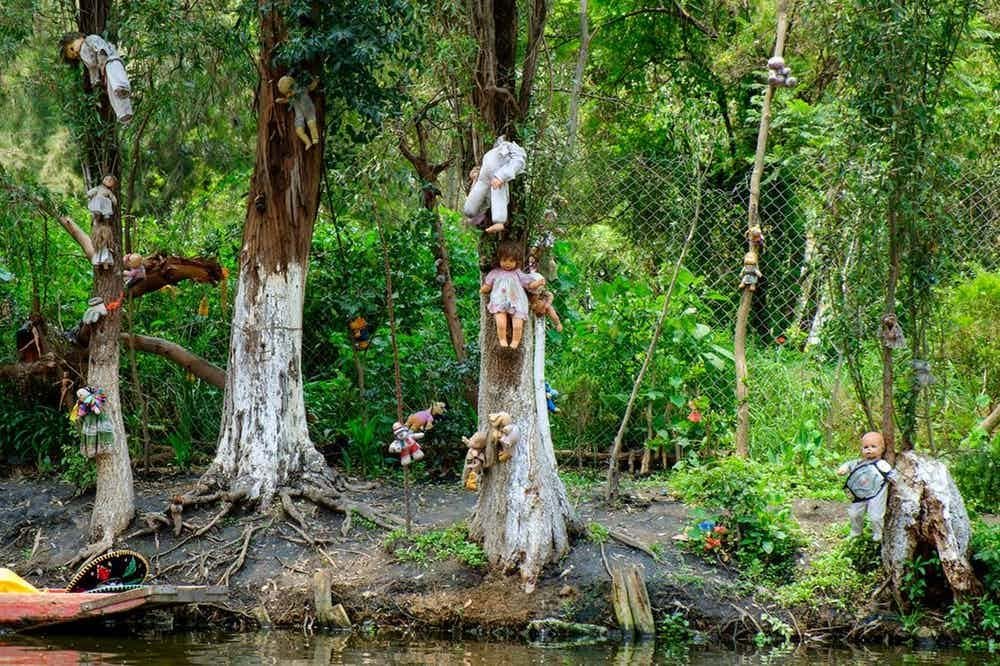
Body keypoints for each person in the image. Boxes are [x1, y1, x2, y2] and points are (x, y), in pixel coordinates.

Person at [480, 241, 544, 349]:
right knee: (500, 322)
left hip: (516, 301)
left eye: (511, 260)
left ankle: (515, 342)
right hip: (500, 300)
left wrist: (537, 283)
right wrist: (484, 289)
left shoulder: (518, 273)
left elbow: (529, 284)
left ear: (516, 261)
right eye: (504, 260)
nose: (507, 263)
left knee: (518, 325)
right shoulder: (495, 272)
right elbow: (488, 285)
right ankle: (502, 340)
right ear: (499, 259)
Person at [60, 32, 133, 123]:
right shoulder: (83, 56)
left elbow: (101, 48)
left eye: (71, 49)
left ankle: (122, 87)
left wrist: (102, 61)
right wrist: (95, 81)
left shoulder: (89, 40)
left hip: (110, 61)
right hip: (105, 72)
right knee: (113, 94)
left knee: (115, 76)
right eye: (74, 56)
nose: (75, 53)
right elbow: (92, 69)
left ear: (79, 37)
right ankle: (124, 114)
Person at [837, 431, 896, 541]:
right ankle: (855, 533)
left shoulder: (882, 464)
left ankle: (879, 535)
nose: (869, 449)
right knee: (854, 514)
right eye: (865, 447)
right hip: (860, 494)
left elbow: (893, 475)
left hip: (876, 495)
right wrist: (843, 468)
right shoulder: (858, 463)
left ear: (882, 448)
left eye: (873, 446)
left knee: (875, 517)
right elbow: (848, 464)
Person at [463, 136, 526, 234]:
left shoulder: (511, 148)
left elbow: (519, 161)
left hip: (496, 177)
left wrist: (501, 176)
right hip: (483, 179)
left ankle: (499, 221)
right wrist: (475, 177)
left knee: (497, 191)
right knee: (470, 207)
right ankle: (471, 214)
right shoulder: (490, 154)